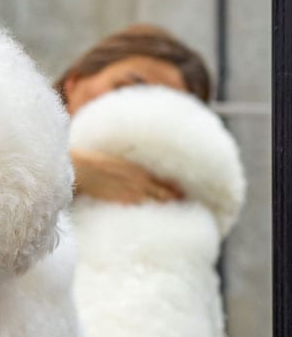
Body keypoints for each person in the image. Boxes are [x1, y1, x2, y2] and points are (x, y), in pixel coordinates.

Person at [56, 24, 213, 204]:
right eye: (124, 88)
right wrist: (72, 170)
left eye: (165, 112)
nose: (137, 111)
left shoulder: (170, 203)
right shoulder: (19, 130)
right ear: (74, 82)